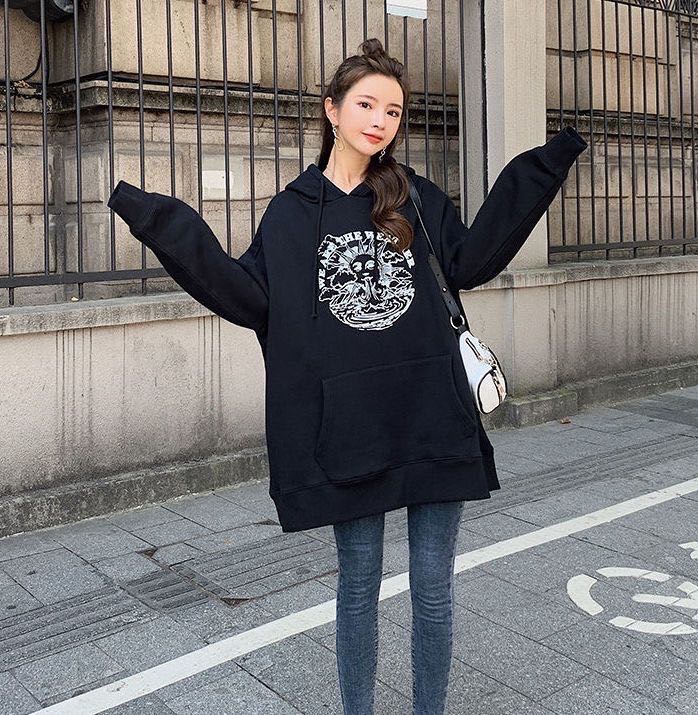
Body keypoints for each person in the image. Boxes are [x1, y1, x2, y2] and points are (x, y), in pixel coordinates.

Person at [108, 37, 587, 715]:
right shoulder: (292, 212)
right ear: (332, 109)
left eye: (393, 111)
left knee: (433, 590)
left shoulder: (415, 199)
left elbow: (474, 258)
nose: (380, 121)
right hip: (349, 429)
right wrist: (159, 221)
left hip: (430, 413)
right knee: (358, 588)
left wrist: (545, 164)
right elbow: (247, 297)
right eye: (366, 105)